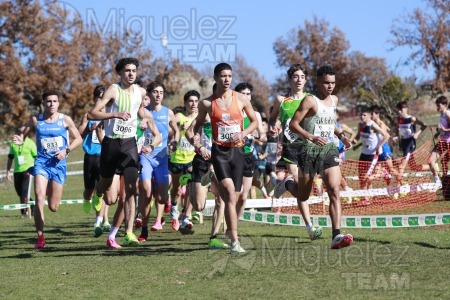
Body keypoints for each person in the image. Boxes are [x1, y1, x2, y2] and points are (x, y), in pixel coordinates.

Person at [191, 63, 258, 254]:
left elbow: (254, 121)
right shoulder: (207, 103)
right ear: (215, 78)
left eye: (229, 76)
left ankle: (230, 231)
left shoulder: (242, 99)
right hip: (219, 152)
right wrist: (196, 139)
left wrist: (243, 133)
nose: (227, 79)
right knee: (228, 192)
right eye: (223, 76)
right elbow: (194, 127)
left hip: (237, 152)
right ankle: (235, 241)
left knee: (235, 197)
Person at [288, 65, 353, 249]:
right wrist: (311, 137)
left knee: (334, 189)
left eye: (333, 82)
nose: (330, 86)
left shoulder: (334, 100)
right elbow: (293, 125)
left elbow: (331, 123)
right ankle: (287, 184)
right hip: (308, 151)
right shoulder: (310, 100)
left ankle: (336, 235)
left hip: (328, 150)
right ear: (318, 82)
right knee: (303, 194)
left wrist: (342, 137)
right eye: (326, 82)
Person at [88, 57, 147, 247]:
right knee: (105, 186)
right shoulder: (113, 90)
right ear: (120, 73)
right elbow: (92, 113)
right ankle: (97, 193)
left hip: (129, 144)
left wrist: (145, 120)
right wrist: (114, 114)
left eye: (134, 71)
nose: (131, 74)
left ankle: (129, 232)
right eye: (127, 71)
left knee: (131, 189)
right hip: (111, 144)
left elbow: (140, 111)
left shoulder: (141, 91)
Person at [13, 90, 83, 249]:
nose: (51, 104)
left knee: (53, 206)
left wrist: (66, 150)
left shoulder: (65, 120)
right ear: (43, 103)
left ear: (58, 103)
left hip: (58, 165)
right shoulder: (36, 120)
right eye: (48, 101)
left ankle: (50, 190)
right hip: (42, 163)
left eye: (54, 101)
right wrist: (20, 139)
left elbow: (78, 138)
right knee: (38, 197)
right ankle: (40, 237)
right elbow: (23, 135)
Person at [269, 63, 323, 240]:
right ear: (289, 79)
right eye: (295, 77)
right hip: (290, 148)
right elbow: (272, 117)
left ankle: (285, 184)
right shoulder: (281, 100)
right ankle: (309, 227)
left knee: (304, 191)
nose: (298, 80)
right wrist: (272, 127)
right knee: (301, 189)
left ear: (306, 80)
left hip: (308, 148)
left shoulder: (311, 99)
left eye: (302, 77)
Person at [136, 81, 178, 241]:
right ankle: (144, 230)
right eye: (155, 92)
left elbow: (177, 131)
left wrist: (175, 141)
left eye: (161, 92)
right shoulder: (142, 112)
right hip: (145, 157)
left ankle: (165, 197)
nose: (158, 94)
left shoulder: (168, 113)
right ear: (149, 95)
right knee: (146, 193)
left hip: (162, 158)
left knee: (160, 198)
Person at [78, 85, 111, 237]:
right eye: (99, 98)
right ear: (94, 99)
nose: (102, 101)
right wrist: (88, 130)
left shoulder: (112, 115)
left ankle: (100, 221)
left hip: (105, 155)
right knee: (90, 188)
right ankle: (86, 198)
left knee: (102, 189)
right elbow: (79, 134)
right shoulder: (89, 115)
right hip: (91, 155)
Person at [234, 82, 266, 217]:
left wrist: (257, 135)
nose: (246, 96)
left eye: (248, 94)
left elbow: (264, 137)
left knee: (243, 196)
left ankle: (235, 222)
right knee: (234, 193)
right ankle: (229, 225)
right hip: (232, 155)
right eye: (243, 94)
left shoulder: (256, 115)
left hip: (248, 156)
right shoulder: (232, 113)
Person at [169, 90, 199, 230]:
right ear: (185, 103)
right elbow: (170, 129)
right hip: (177, 158)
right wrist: (179, 128)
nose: (193, 104)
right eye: (190, 101)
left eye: (195, 101)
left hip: (192, 158)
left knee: (191, 189)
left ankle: (186, 217)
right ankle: (174, 210)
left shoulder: (200, 117)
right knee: (176, 190)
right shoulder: (180, 116)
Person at [353, 109, 390, 204]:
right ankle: (365, 199)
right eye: (361, 115)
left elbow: (387, 135)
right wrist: (352, 142)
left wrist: (380, 146)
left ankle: (383, 173)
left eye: (364, 115)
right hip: (364, 154)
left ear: (370, 116)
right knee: (361, 177)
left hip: (373, 155)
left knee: (366, 177)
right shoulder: (360, 125)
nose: (362, 116)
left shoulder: (373, 125)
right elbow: (358, 136)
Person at [393, 101, 429, 180]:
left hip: (410, 143)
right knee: (414, 167)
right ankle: (432, 166)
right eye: (398, 110)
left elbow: (424, 125)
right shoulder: (399, 119)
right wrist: (396, 136)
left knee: (401, 166)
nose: (399, 111)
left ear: (406, 109)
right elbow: (397, 128)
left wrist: (417, 134)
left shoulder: (411, 119)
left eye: (401, 109)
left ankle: (400, 188)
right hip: (403, 142)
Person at [6, 126, 37, 217]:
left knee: (24, 191)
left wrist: (35, 169)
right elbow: (10, 158)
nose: (20, 133)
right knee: (19, 192)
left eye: (23, 131)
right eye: (19, 131)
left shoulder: (30, 143)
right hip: (17, 171)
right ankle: (32, 204)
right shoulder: (13, 143)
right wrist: (8, 171)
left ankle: (24, 212)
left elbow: (36, 157)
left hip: (28, 170)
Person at [428, 96, 450, 190]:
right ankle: (438, 181)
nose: (437, 107)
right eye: (436, 105)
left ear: (445, 105)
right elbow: (443, 129)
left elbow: (446, 128)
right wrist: (438, 133)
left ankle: (445, 184)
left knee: (444, 162)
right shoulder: (441, 115)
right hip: (442, 141)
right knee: (430, 161)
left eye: (439, 105)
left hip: (448, 142)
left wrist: (444, 129)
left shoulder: (447, 113)